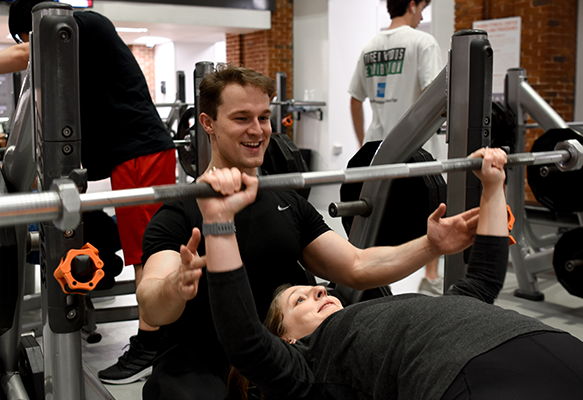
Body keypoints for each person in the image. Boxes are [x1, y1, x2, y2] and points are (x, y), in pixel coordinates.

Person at [137, 64, 480, 400]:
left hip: (290, 351)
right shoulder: (178, 214)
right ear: (208, 124)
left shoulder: (287, 202)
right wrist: (176, 287)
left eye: (263, 117)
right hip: (205, 361)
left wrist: (431, 245)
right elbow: (152, 307)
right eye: (242, 118)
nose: (257, 130)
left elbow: (357, 267)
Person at [197, 147, 583, 400]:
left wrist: (493, 185)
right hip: (469, 377)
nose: (317, 292)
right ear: (287, 341)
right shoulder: (310, 370)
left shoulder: (405, 309)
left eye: (312, 290)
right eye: (299, 299)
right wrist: (218, 220)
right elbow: (243, 339)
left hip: (546, 340)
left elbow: (484, 276)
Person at [0, 0, 175, 384]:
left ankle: (152, 344)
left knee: (148, 256)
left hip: (140, 152)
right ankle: (157, 338)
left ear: (34, 28)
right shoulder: (80, 39)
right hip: (132, 154)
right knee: (133, 246)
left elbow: (27, 53)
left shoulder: (76, 27)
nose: (28, 49)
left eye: (26, 36)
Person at [348, 0, 446, 294]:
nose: (422, 16)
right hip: (416, 147)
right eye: (422, 8)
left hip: (376, 149)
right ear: (413, 5)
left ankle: (376, 277)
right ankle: (430, 276)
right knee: (435, 209)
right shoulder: (422, 41)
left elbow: (355, 98)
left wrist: (361, 144)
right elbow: (436, 94)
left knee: (375, 214)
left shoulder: (370, 47)